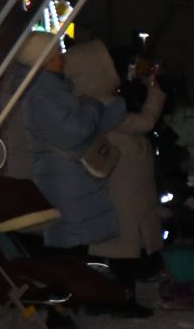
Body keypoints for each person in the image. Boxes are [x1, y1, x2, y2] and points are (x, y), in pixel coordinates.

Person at [2, 34, 129, 256]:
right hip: (63, 185)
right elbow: (75, 131)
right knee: (69, 251)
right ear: (43, 61)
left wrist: (116, 107)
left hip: (70, 181)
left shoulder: (53, 88)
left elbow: (88, 126)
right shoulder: (39, 94)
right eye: (57, 54)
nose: (64, 59)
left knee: (75, 248)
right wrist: (92, 104)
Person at [62, 40, 168, 293]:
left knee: (121, 239)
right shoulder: (100, 102)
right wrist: (155, 93)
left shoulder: (90, 99)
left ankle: (119, 292)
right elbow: (143, 123)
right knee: (121, 239)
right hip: (120, 180)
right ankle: (119, 296)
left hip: (120, 178)